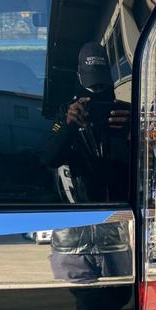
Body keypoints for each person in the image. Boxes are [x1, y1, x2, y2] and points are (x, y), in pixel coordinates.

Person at [43, 42, 131, 203]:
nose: (96, 92)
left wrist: (133, 132)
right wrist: (68, 127)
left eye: (101, 85)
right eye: (92, 86)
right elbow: (51, 159)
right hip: (86, 204)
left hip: (124, 203)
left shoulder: (125, 110)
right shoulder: (67, 111)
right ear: (79, 76)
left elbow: (149, 160)